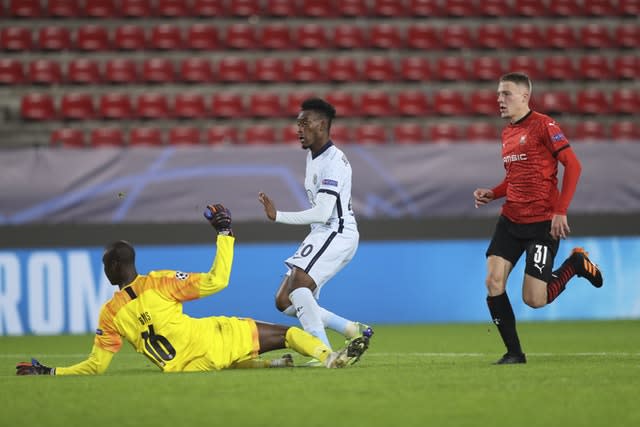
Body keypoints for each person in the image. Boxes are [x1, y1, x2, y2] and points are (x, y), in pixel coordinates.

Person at [16, 204, 366, 376]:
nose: (104, 270)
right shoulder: (160, 283)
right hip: (213, 340)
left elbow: (96, 366)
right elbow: (218, 281)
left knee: (233, 357)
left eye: (105, 264)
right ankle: (328, 357)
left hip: (187, 368)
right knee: (288, 333)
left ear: (114, 267)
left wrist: (51, 372)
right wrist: (224, 234)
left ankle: (271, 365)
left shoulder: (109, 315)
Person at [473, 72, 604, 365]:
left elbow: (574, 165)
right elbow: (516, 179)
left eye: (506, 94)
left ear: (524, 96)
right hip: (511, 220)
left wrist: (561, 210)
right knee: (493, 282)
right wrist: (493, 194)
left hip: (543, 223)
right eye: (498, 94)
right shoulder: (507, 133)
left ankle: (575, 264)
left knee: (535, 299)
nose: (499, 99)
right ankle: (514, 353)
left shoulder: (545, 125)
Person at [258, 97, 373, 363]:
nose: (299, 129)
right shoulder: (314, 156)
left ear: (322, 125)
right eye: (298, 124)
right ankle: (351, 329)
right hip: (323, 233)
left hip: (337, 231)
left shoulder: (334, 161)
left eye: (305, 123)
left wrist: (278, 216)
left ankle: (323, 353)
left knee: (299, 287)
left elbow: (323, 213)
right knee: (285, 300)